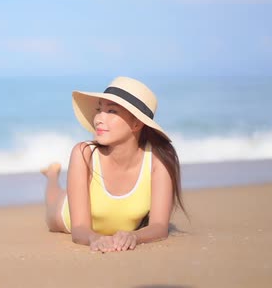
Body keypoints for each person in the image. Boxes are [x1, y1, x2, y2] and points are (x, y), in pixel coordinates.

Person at [41, 76, 186, 253]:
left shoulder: (158, 160)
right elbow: (79, 230)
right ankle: (52, 175)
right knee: (53, 200)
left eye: (111, 111)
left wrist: (135, 236)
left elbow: (159, 226)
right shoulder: (83, 153)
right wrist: (95, 238)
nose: (99, 119)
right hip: (66, 216)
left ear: (136, 123)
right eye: (99, 109)